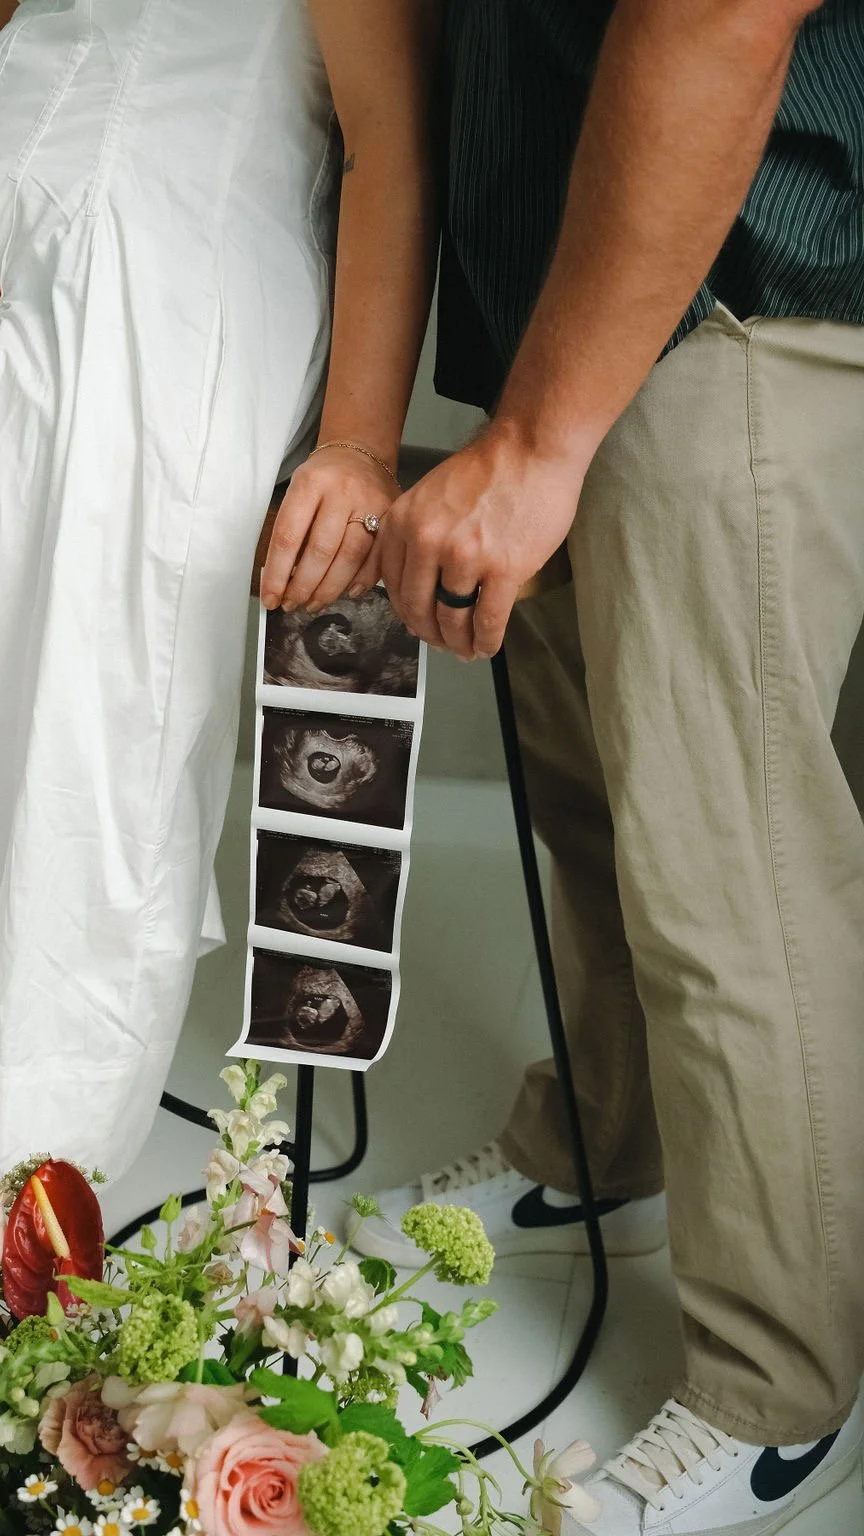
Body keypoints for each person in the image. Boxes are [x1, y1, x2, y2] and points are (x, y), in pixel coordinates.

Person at [302, 0, 862, 1531]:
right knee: (590, 793)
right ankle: (606, 1146)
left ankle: (779, 1392)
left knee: (722, 865)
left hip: (729, 289)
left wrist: (543, 439)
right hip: (568, 309)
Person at [0, 0, 438, 1293]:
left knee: (86, 757)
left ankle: (17, 1265)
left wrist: (359, 443)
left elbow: (390, 136)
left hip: (166, 303)